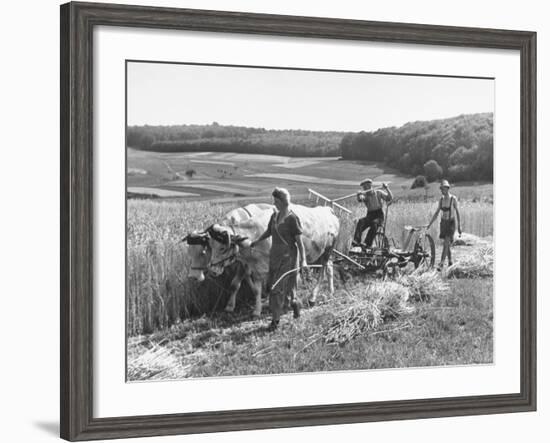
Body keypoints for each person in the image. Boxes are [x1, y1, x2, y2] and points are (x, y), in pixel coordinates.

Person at [250, 188, 308, 331]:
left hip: (288, 257)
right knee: (276, 287)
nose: (274, 203)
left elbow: (299, 243)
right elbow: (269, 231)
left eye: (276, 201)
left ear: (283, 201)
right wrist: (257, 241)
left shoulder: (292, 219)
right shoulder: (274, 216)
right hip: (274, 256)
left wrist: (304, 261)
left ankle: (275, 321)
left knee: (276, 289)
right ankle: (295, 304)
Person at [427, 179, 462, 270]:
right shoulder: (441, 200)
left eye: (443, 189)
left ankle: (441, 263)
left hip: (451, 223)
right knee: (446, 244)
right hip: (443, 223)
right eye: (441, 189)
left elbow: (457, 212)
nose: (442, 191)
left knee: (446, 242)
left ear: (447, 188)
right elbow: (437, 212)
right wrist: (430, 224)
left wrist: (459, 226)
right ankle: (450, 261)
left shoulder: (453, 199)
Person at [353, 178, 393, 247]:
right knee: (361, 222)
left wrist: (386, 188)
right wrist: (358, 195)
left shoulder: (378, 192)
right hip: (370, 215)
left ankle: (367, 243)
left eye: (367, 187)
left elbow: (389, 198)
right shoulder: (365, 195)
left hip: (379, 216)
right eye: (364, 188)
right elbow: (361, 199)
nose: (365, 189)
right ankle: (356, 241)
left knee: (374, 223)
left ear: (370, 186)